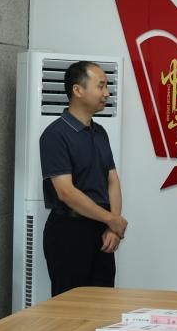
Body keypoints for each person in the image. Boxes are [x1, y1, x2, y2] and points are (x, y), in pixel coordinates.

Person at [39, 61, 126, 296]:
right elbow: (66, 192)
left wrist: (112, 226)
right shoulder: (55, 134)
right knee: (70, 306)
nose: (106, 93)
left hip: (102, 231)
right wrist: (112, 219)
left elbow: (112, 180)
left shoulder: (100, 132)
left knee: (103, 303)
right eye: (101, 86)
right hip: (69, 231)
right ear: (78, 90)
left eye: (106, 87)